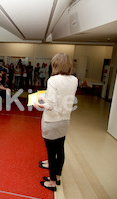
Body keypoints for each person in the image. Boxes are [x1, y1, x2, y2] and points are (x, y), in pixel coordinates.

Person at [34, 52, 78, 191]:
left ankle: (52, 182)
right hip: (65, 119)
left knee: (51, 153)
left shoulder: (53, 80)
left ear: (55, 65)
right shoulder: (74, 79)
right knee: (60, 149)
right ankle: (57, 176)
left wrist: (38, 104)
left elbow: (50, 105)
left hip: (52, 121)